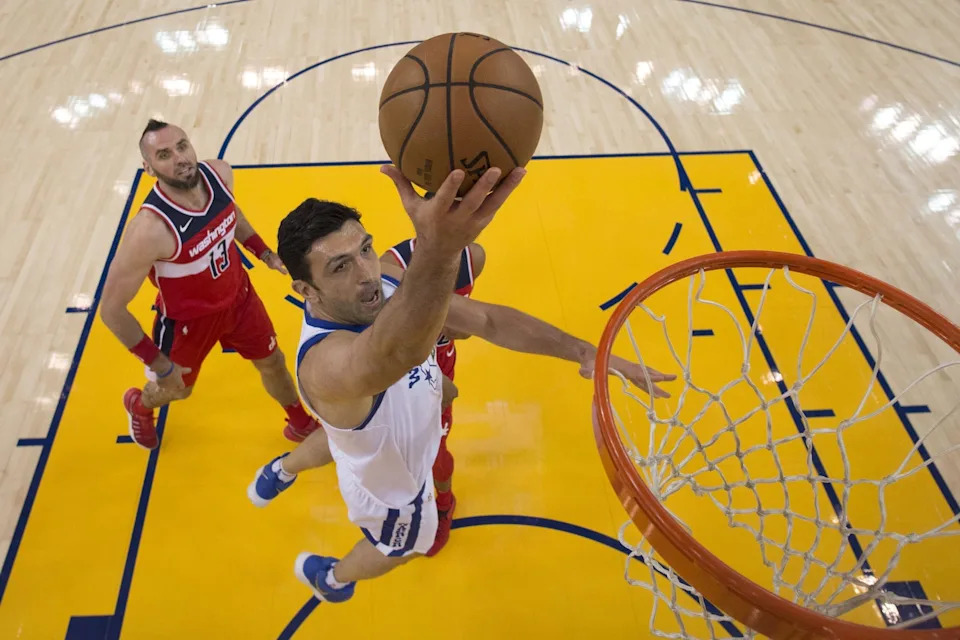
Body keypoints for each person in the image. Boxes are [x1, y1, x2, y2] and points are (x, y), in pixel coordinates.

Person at [246, 165, 674, 603]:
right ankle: (333, 578)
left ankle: (280, 470)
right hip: (391, 490)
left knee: (341, 435)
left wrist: (587, 352)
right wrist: (438, 248)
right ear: (306, 289)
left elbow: (486, 319)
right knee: (406, 542)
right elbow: (396, 353)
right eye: (340, 267)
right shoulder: (325, 366)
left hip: (370, 421)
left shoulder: (388, 278)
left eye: (366, 250)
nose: (366, 273)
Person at [100, 119, 320, 449]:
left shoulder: (218, 174)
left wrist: (263, 252)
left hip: (239, 298)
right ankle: (140, 405)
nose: (180, 158)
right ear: (148, 168)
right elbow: (111, 311)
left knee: (273, 361)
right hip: (188, 323)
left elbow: (231, 213)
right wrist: (160, 364)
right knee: (177, 389)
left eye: (182, 146)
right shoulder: (149, 230)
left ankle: (300, 423)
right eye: (164, 154)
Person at [382, 237, 485, 555]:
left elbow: (469, 326)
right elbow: (383, 331)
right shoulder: (391, 265)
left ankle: (444, 503)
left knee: (437, 452)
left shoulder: (473, 257)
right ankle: (402, 498)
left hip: (440, 365)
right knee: (393, 442)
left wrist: (459, 326)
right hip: (400, 367)